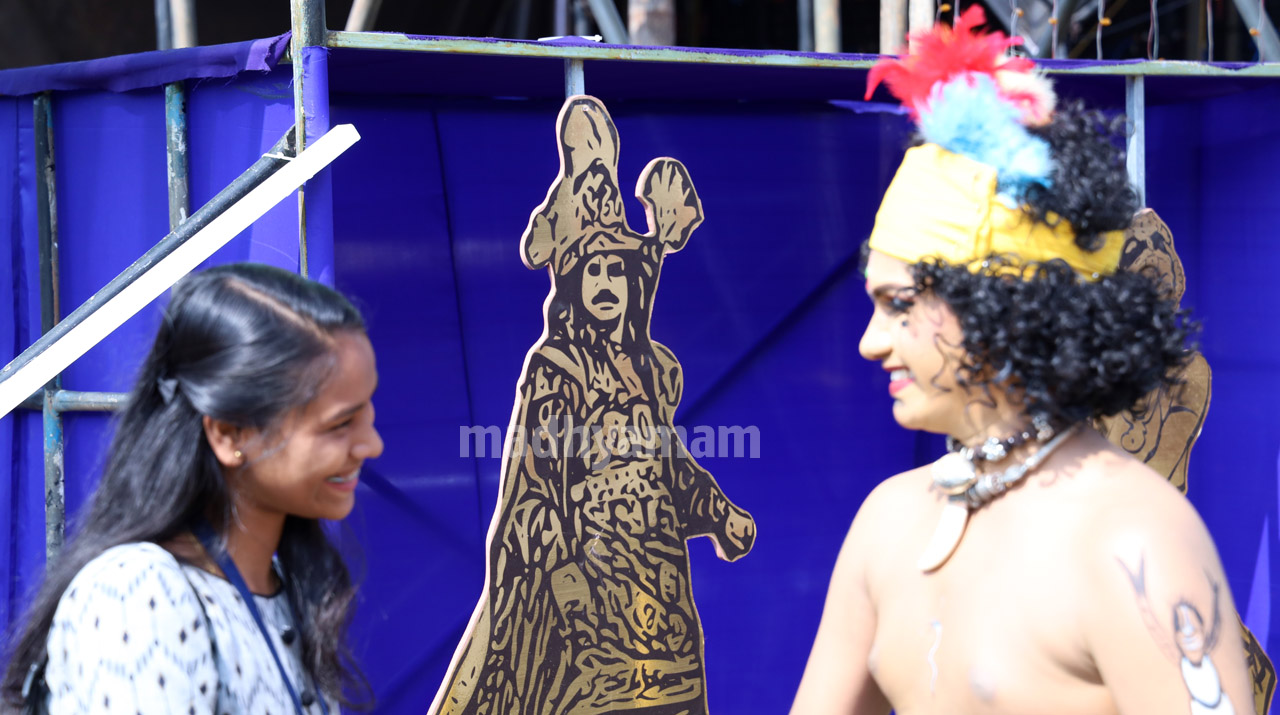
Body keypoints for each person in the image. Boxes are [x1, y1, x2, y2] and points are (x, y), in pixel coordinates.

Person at [791, 8, 1254, 714]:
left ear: (1000, 302)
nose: (870, 341)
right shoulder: (887, 523)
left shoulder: (1134, 539)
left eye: (899, 304)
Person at [1, 263, 383, 714]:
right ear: (230, 434)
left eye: (368, 415)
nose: (372, 445)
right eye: (340, 424)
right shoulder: (138, 595)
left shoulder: (282, 588)